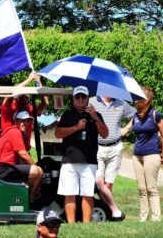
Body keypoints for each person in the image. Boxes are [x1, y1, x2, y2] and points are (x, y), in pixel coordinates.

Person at [55, 86, 108, 223]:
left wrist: (95, 117)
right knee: (69, 194)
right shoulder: (67, 115)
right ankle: (72, 224)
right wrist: (76, 128)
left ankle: (86, 224)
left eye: (83, 97)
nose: (80, 99)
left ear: (87, 99)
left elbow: (105, 134)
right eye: (77, 97)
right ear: (73, 99)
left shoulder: (95, 114)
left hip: (89, 161)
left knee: (87, 194)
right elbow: (57, 133)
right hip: (69, 161)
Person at [89, 95, 136, 221]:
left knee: (108, 186)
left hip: (115, 147)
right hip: (97, 147)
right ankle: (114, 210)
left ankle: (108, 213)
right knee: (99, 182)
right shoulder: (91, 101)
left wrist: (126, 128)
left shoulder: (121, 103)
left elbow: (136, 114)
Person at [129, 86, 163, 222]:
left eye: (138, 98)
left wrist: (161, 154)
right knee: (141, 189)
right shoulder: (135, 115)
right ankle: (143, 218)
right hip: (137, 155)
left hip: (151, 155)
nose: (135, 101)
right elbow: (128, 128)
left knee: (151, 188)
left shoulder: (156, 114)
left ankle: (156, 218)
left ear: (145, 100)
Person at [0, 110, 43, 202]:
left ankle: (30, 198)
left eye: (27, 121)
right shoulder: (14, 131)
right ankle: (30, 200)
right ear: (15, 121)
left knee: (37, 171)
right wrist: (35, 168)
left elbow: (20, 159)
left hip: (5, 167)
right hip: (1, 169)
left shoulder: (14, 131)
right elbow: (23, 154)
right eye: (22, 121)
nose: (26, 124)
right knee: (37, 171)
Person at [1, 71, 48, 150]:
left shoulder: (30, 108)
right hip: (9, 149)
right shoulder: (8, 107)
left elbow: (45, 103)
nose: (23, 100)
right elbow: (10, 93)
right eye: (21, 97)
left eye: (26, 98)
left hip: (25, 150)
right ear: (15, 99)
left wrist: (39, 83)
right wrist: (28, 80)